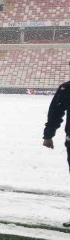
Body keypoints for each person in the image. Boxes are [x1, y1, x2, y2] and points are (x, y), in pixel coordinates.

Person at [42, 78, 70, 229]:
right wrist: (48, 134)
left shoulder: (67, 88)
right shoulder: (67, 88)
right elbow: (55, 112)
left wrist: (48, 135)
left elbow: (55, 112)